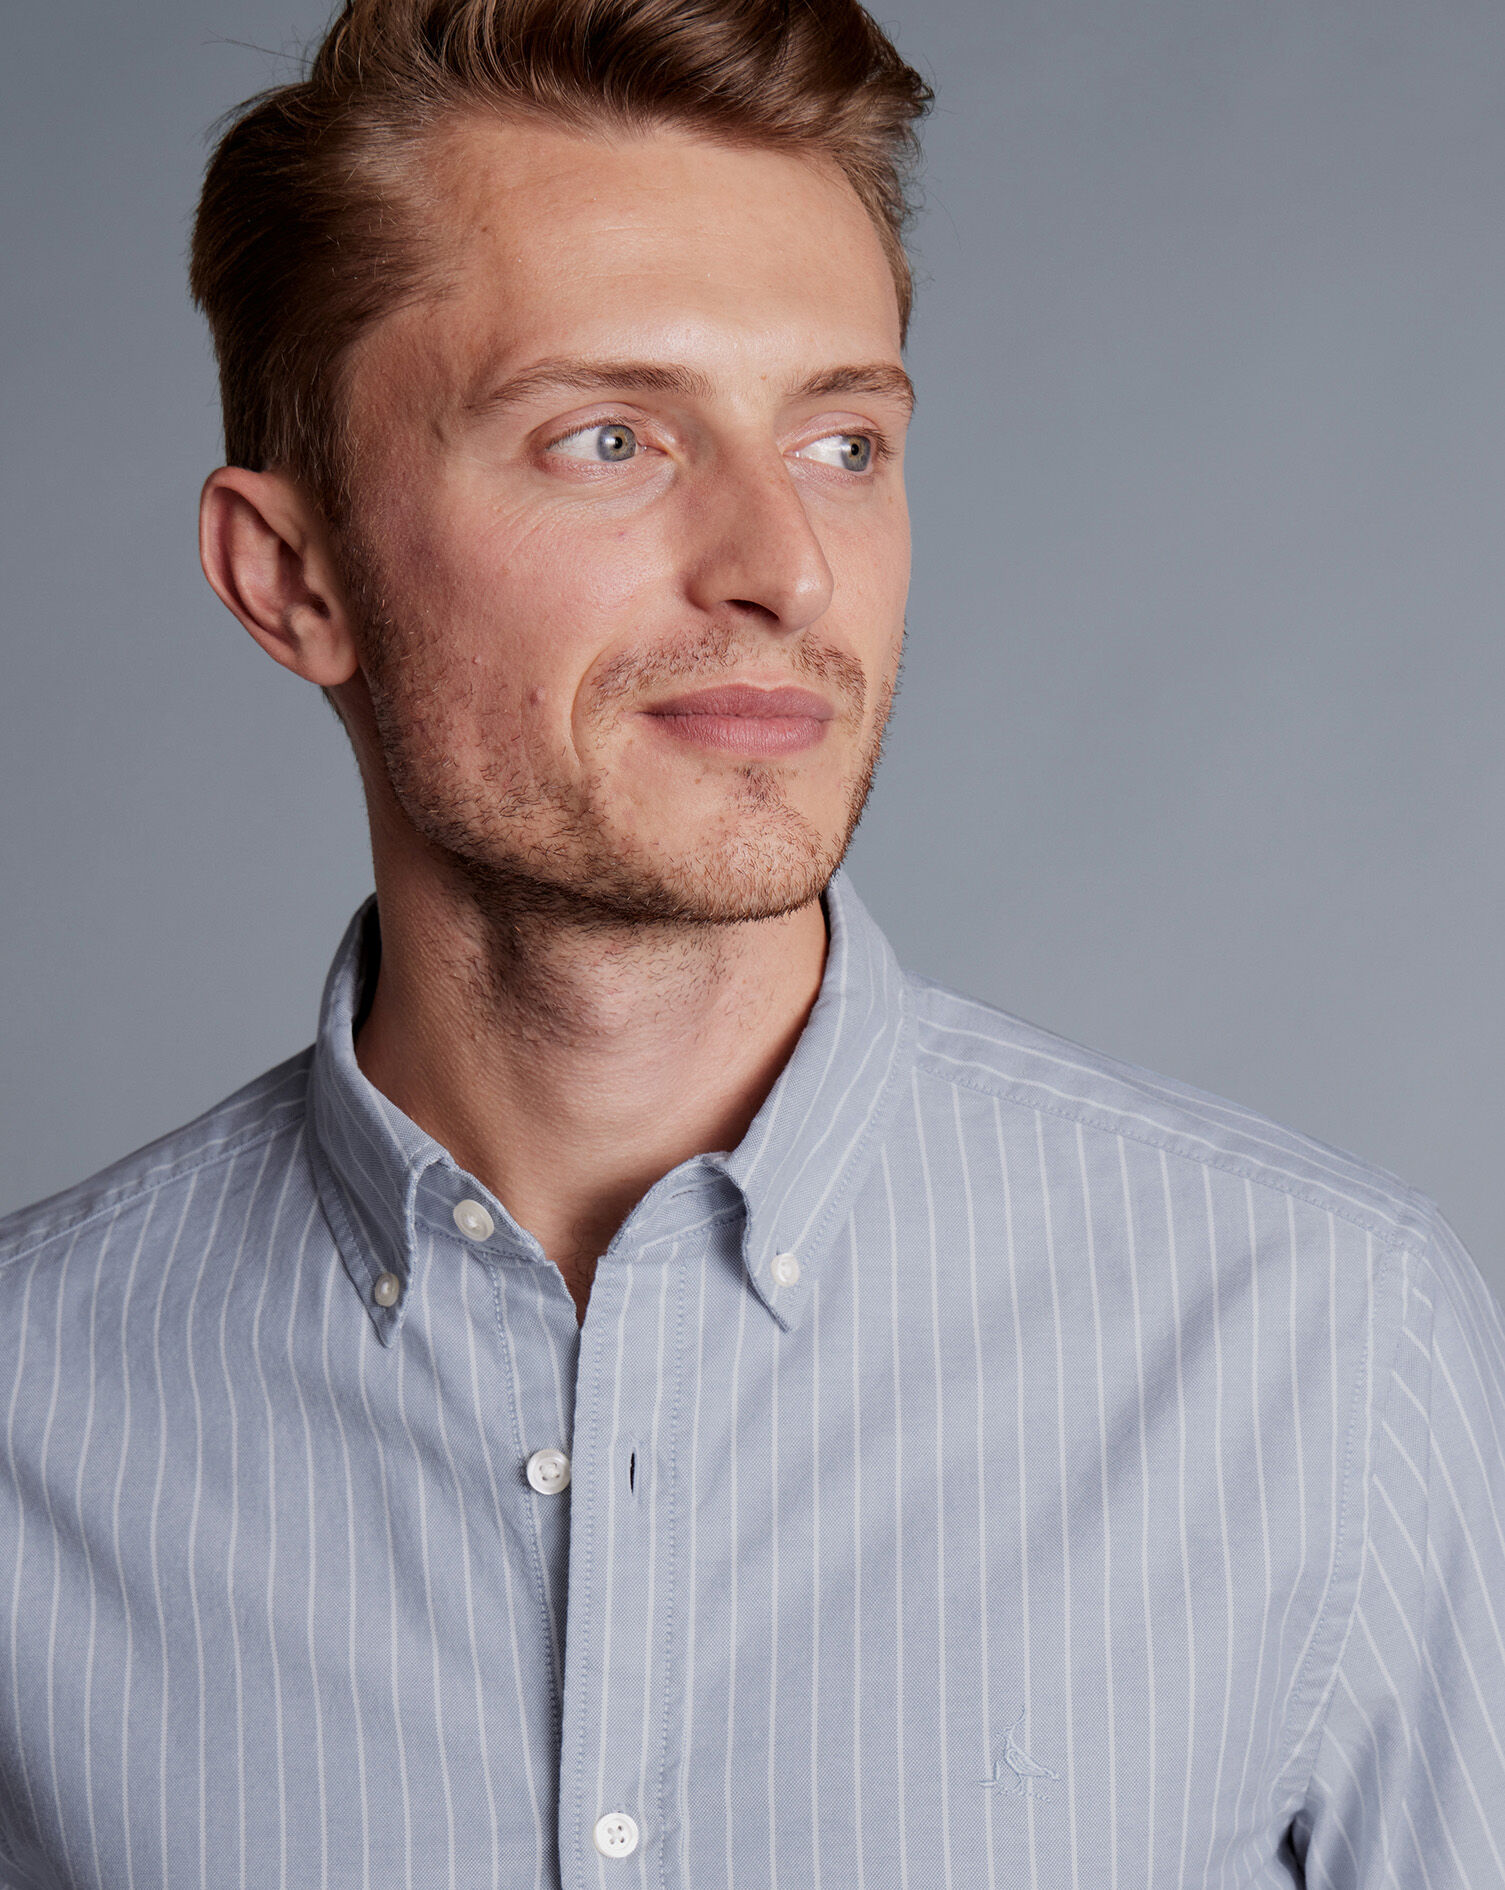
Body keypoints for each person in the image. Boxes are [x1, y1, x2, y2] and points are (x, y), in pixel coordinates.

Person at [2, 0, 1502, 1883]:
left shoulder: (1324, 1349)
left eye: (844, 440)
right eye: (609, 436)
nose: (781, 564)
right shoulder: (28, 1414)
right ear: (291, 578)